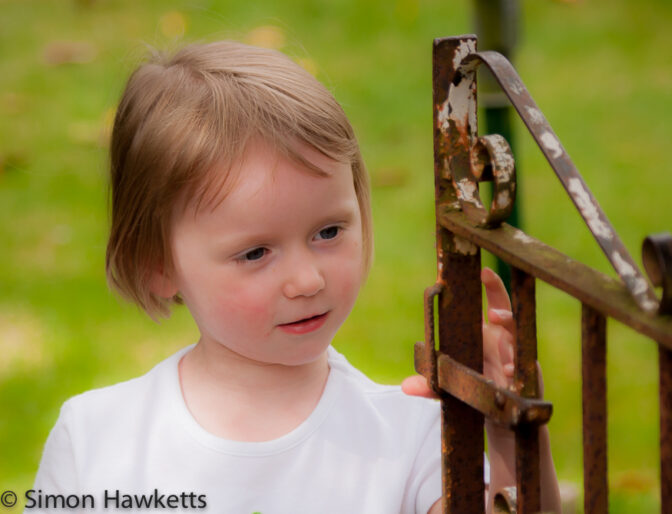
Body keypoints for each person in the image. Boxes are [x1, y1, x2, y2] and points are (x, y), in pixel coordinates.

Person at [29, 41, 560, 513]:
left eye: (328, 232)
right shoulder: (97, 440)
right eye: (256, 252)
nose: (306, 280)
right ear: (158, 265)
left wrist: (511, 429)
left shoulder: (412, 439)